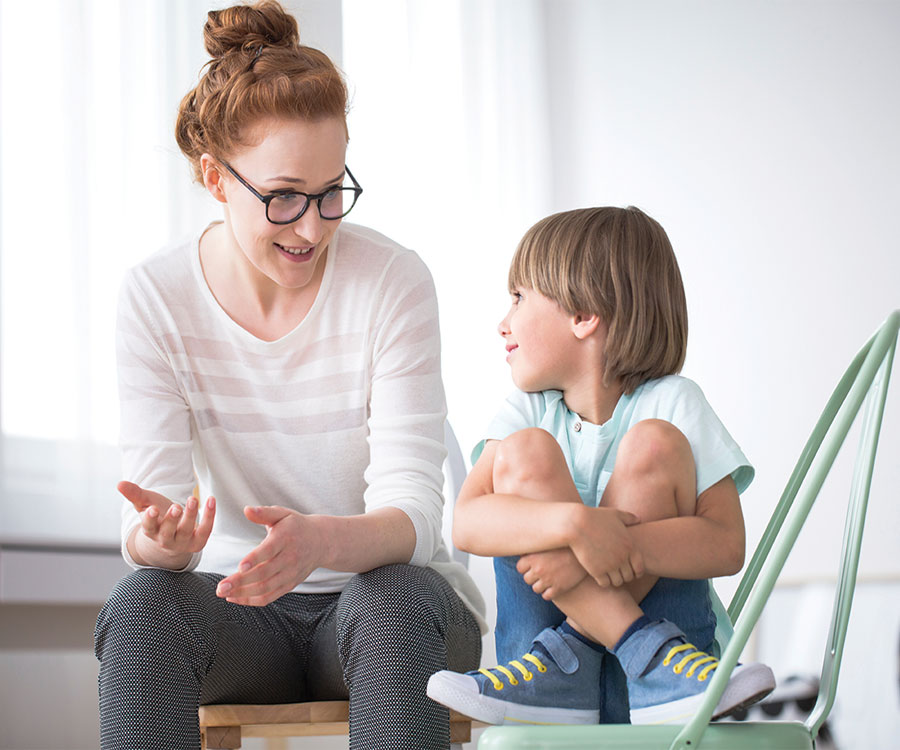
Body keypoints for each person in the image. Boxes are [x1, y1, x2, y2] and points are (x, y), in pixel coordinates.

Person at [93, 3, 485, 749]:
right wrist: (163, 543)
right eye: (284, 197)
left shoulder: (392, 280)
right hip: (246, 618)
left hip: (390, 610)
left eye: (332, 191)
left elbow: (416, 516)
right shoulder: (155, 296)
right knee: (143, 602)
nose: (312, 226)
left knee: (394, 597)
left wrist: (323, 544)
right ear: (215, 178)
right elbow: (148, 527)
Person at [427, 206, 774, 725]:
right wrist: (577, 526)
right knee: (526, 452)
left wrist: (614, 546)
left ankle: (611, 656)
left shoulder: (674, 403)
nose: (503, 322)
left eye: (519, 298)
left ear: (583, 314)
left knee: (654, 444)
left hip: (673, 692)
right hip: (541, 688)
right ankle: (638, 648)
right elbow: (469, 523)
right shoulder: (527, 412)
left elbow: (727, 543)